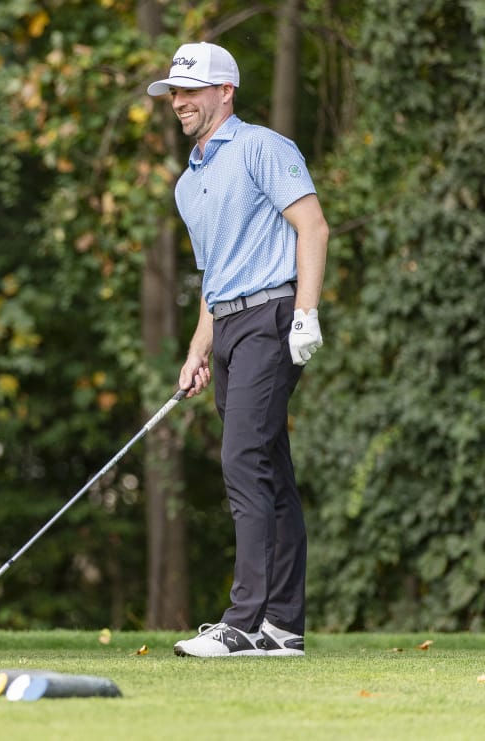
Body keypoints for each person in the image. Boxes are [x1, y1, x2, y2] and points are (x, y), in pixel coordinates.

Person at [146, 41, 329, 658]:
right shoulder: (186, 185)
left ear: (225, 91)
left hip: (272, 317)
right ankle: (282, 628)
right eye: (174, 92)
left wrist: (306, 313)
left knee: (242, 461)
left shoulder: (262, 148)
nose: (179, 102)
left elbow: (312, 226)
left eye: (191, 91)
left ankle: (244, 622)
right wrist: (199, 346)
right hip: (227, 328)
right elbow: (214, 275)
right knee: (269, 469)